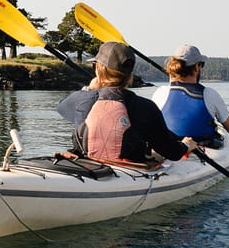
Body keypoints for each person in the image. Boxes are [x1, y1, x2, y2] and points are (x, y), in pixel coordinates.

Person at [57, 41, 200, 165]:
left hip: (87, 164)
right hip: (130, 169)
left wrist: (89, 89)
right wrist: (185, 145)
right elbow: (172, 153)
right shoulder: (146, 107)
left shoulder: (82, 100)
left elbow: (61, 106)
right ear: (129, 74)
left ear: (98, 70)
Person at [151, 44, 229, 145]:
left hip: (169, 148)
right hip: (201, 148)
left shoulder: (160, 92)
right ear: (197, 66)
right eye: (202, 65)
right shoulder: (209, 94)